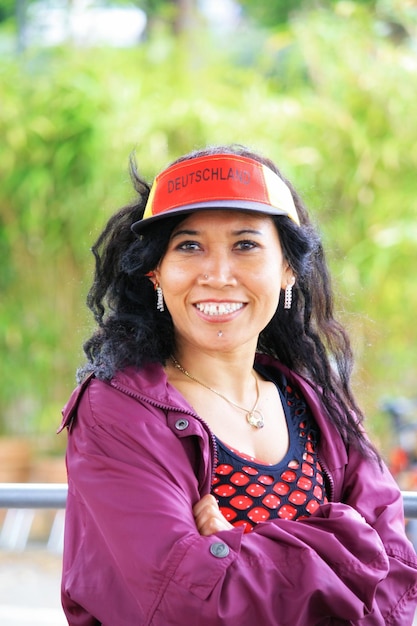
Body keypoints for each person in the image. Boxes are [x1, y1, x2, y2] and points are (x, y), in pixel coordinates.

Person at [59, 144, 417, 625]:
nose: (219, 274)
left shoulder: (317, 404)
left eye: (246, 245)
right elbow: (190, 606)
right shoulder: (118, 413)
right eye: (189, 246)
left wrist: (241, 549)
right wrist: (346, 541)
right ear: (155, 272)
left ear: (288, 268)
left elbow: (397, 586)